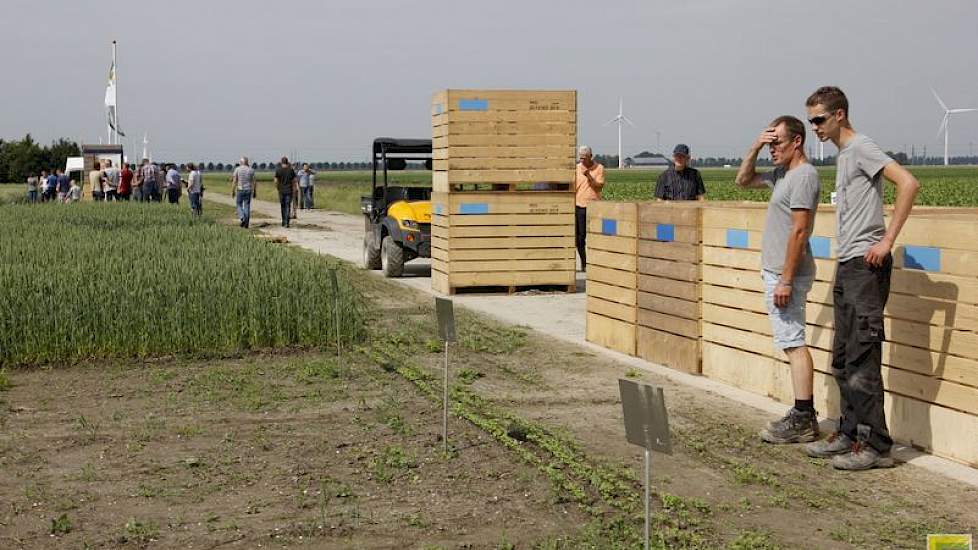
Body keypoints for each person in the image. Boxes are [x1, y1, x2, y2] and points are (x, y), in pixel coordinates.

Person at [802, 86, 920, 470]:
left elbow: (908, 183)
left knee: (863, 356)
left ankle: (877, 445)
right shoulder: (843, 155)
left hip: (866, 267)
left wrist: (887, 240)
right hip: (848, 263)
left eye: (819, 119)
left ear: (839, 115)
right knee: (843, 356)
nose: (814, 127)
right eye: (810, 121)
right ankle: (849, 433)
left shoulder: (862, 147)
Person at [735, 116, 822, 445]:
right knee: (789, 341)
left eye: (777, 144)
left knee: (794, 342)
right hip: (777, 272)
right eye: (769, 145)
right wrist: (755, 146)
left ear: (797, 142)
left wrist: (785, 280)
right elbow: (743, 181)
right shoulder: (782, 175)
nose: (772, 150)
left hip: (789, 275)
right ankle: (803, 414)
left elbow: (799, 231)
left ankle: (803, 416)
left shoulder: (803, 176)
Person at [574, 145, 605, 272]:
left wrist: (589, 175)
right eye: (580, 158)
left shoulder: (599, 168)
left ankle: (596, 262)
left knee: (594, 236)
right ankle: (584, 262)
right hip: (579, 206)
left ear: (591, 157)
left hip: (594, 207)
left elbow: (599, 187)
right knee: (580, 238)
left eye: (584, 158)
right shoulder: (576, 169)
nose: (582, 161)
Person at [232, 157, 256, 228]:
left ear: (241, 162)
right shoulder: (251, 170)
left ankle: (242, 217)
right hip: (248, 189)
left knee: (238, 204)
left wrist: (232, 190)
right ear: (247, 162)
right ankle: (246, 224)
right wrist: (254, 191)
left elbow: (234, 180)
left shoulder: (237, 169)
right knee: (247, 206)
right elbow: (254, 181)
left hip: (240, 189)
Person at [274, 156, 297, 228]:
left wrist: (277, 187)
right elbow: (294, 180)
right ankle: (287, 222)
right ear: (287, 162)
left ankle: (283, 221)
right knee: (288, 206)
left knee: (282, 206)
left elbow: (275, 181)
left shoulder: (278, 170)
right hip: (289, 190)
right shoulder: (291, 170)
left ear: (281, 162)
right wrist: (294, 189)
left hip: (281, 190)